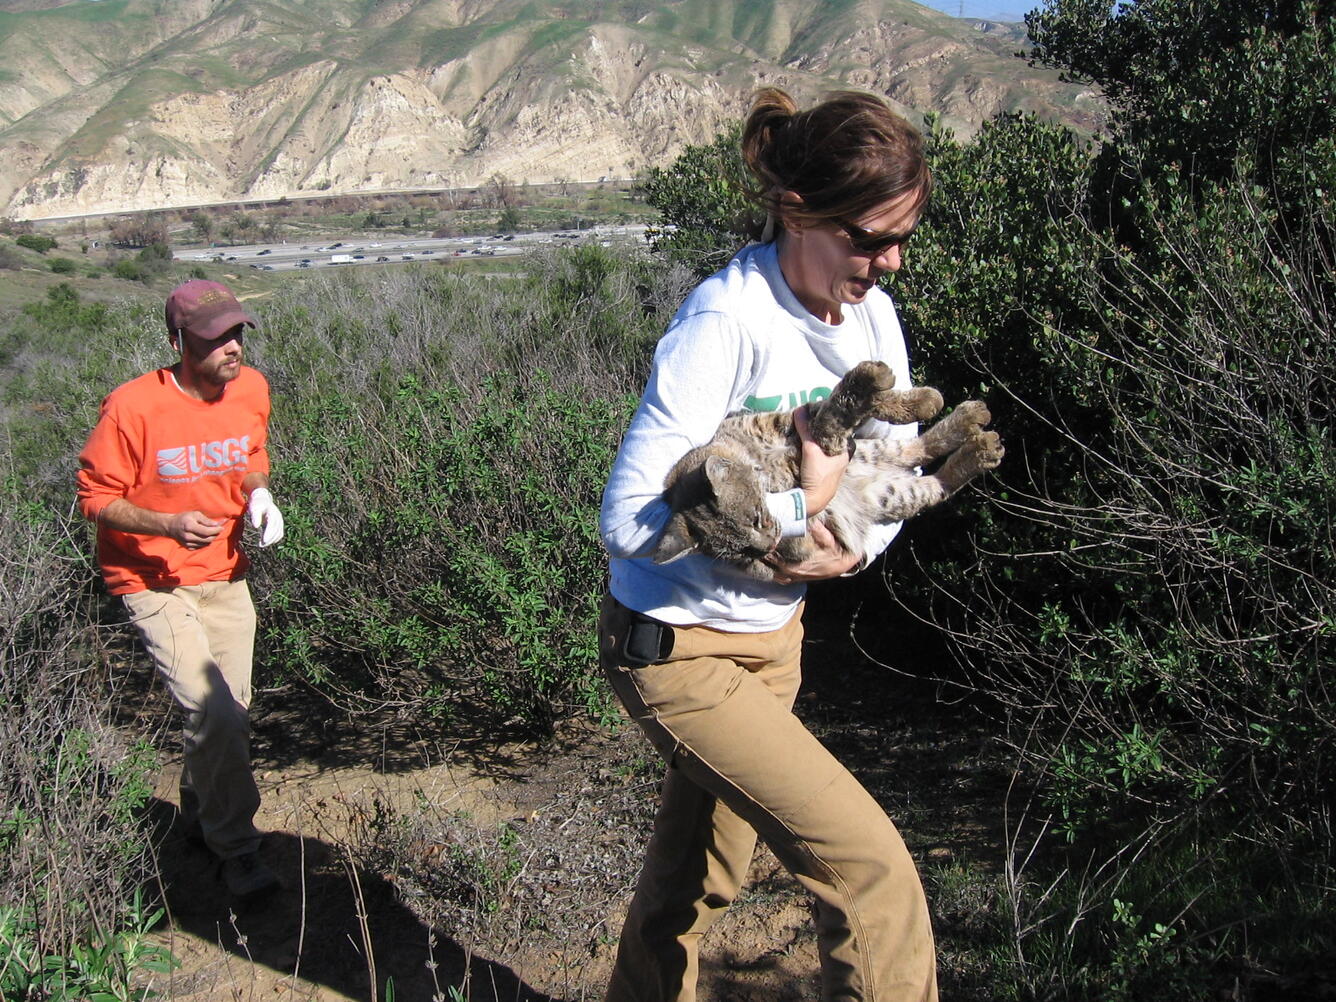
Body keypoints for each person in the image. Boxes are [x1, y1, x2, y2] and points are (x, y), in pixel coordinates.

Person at [598, 87, 939, 1001]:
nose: (888, 262)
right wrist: (794, 515)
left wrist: (853, 552)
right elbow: (629, 515)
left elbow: (890, 469)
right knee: (869, 874)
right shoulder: (728, 318)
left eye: (901, 236)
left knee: (697, 881)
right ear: (798, 211)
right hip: (676, 646)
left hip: (773, 646)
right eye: (868, 238)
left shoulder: (872, 322)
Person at [77, 279, 286, 903]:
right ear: (178, 342)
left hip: (224, 573)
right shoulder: (133, 408)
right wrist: (166, 523)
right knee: (215, 711)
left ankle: (200, 815)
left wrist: (259, 493)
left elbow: (252, 452)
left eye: (236, 333)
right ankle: (238, 850)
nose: (231, 347)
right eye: (214, 337)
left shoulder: (250, 389)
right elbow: (95, 497)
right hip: (150, 579)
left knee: (229, 716)